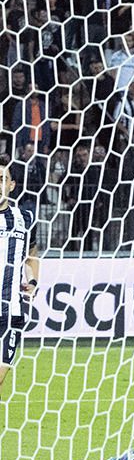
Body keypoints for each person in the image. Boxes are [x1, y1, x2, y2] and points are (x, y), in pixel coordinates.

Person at [0, 164, 39, 392]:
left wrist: (33, 281)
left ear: (11, 185)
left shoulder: (25, 219)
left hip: (11, 313)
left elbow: (32, 255)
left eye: (2, 179)